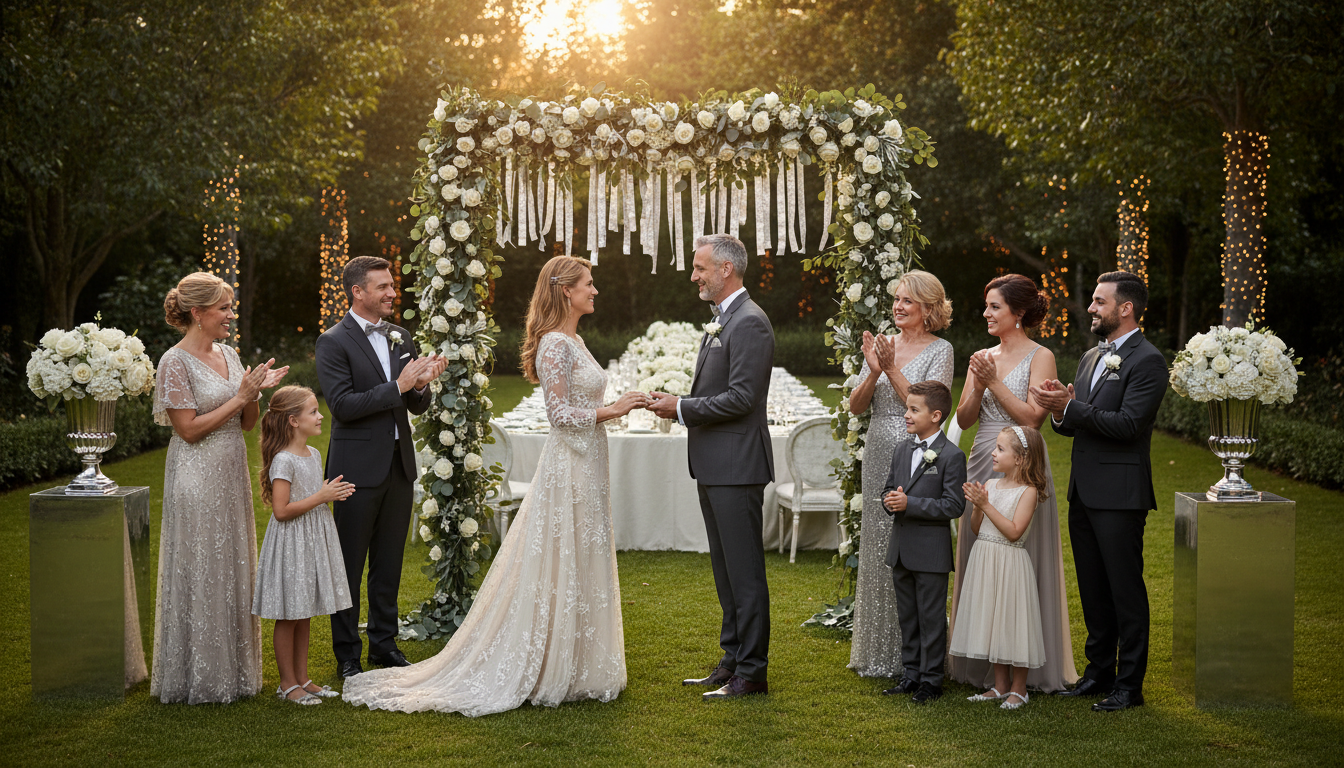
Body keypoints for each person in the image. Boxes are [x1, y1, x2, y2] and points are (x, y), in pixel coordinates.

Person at [342, 256, 645, 716]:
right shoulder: (555, 345)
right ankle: (547, 663)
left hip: (588, 463)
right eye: (588, 283)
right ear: (565, 290)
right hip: (569, 464)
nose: (595, 290)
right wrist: (615, 409)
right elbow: (560, 416)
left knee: (581, 553)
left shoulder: (575, 340)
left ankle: (580, 662)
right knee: (559, 556)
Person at [1029, 271, 1167, 713]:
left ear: (1125, 308)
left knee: (1124, 590)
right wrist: (1059, 409)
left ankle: (1130, 685)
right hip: (1084, 492)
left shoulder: (1148, 361)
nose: (1091, 307)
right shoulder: (1092, 356)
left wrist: (1073, 407)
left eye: (1098, 301)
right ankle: (1098, 672)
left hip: (1121, 495)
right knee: (1092, 586)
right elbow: (1076, 423)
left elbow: (1129, 425)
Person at [648, 234, 776, 700]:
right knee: (726, 572)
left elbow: (743, 398)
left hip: (737, 466)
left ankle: (753, 673)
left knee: (745, 574)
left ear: (726, 269)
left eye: (700, 267)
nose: (693, 275)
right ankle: (731, 661)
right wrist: (681, 404)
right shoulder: (724, 320)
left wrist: (680, 407)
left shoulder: (750, 323)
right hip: (716, 465)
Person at [151, 271, 288, 704]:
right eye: (224, 309)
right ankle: (200, 677)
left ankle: (236, 674)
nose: (231, 316)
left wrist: (254, 393)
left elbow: (245, 425)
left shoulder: (228, 352)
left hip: (230, 473)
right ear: (197, 312)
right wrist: (239, 394)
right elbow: (188, 430)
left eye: (230, 308)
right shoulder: (174, 361)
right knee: (202, 565)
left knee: (231, 564)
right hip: (195, 474)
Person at [316, 256, 447, 679]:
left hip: (398, 466)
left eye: (392, 286)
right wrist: (399, 386)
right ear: (358, 291)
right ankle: (347, 655)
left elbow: (413, 403)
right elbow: (342, 406)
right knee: (350, 565)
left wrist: (422, 385)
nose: (393, 293)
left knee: (389, 564)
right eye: (384, 287)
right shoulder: (332, 341)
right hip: (354, 470)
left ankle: (384, 646)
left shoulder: (400, 335)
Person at [948, 274, 1077, 693]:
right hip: (982, 458)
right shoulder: (981, 356)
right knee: (979, 551)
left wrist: (994, 382)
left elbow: (1033, 419)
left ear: (1018, 312)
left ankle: (1025, 671)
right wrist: (977, 384)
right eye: (986, 306)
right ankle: (984, 667)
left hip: (1022, 464)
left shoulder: (1042, 356)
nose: (986, 313)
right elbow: (965, 418)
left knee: (1019, 558)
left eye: (994, 307)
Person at [847, 270, 954, 680]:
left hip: (918, 451)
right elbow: (856, 406)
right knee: (878, 546)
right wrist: (874, 369)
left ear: (928, 308)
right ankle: (880, 651)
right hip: (879, 447)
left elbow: (932, 405)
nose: (898, 306)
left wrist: (890, 369)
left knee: (912, 542)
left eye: (907, 300)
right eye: (896, 299)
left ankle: (921, 661)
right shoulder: (882, 344)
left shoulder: (940, 349)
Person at [253, 385, 354, 705]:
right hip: (291, 542)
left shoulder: (314, 454)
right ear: (294, 421)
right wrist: (321, 497)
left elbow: (310, 494)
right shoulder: (283, 461)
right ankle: (287, 683)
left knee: (304, 610)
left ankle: (302, 678)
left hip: (310, 539)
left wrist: (328, 492)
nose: (320, 415)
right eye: (313, 411)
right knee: (289, 614)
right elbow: (281, 511)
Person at [950, 426, 1051, 710]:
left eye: (1000, 449)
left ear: (1020, 459)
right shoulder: (991, 485)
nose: (993, 453)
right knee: (993, 619)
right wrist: (978, 508)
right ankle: (1000, 685)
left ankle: (1020, 689)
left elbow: (1015, 531)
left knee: (1012, 621)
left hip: (1010, 562)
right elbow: (975, 528)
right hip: (986, 558)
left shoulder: (1028, 492)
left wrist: (986, 505)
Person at [880, 380, 966, 704]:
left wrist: (911, 504)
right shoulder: (903, 449)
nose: (906, 414)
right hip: (901, 550)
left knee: (931, 619)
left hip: (930, 553)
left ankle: (931, 680)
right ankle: (910, 674)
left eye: (914, 409)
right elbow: (890, 487)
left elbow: (954, 505)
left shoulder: (951, 456)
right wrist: (890, 499)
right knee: (908, 617)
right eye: (907, 408)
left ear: (936, 416)